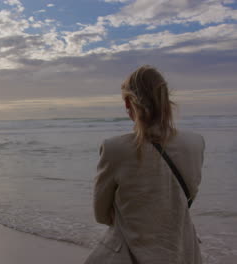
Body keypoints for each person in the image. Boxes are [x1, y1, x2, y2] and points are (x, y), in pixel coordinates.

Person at [84, 65, 205, 264]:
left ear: (127, 102)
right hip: (183, 252)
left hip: (131, 254)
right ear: (166, 99)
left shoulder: (115, 148)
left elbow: (101, 214)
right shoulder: (195, 143)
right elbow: (185, 198)